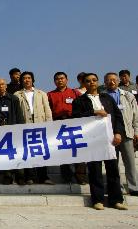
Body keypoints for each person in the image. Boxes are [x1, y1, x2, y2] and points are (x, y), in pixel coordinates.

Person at [72, 73, 127, 210]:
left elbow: (118, 117)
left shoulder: (107, 98)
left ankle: (116, 200)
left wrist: (118, 133)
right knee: (95, 170)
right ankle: (98, 200)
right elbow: (76, 118)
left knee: (113, 170)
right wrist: (94, 112)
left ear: (98, 82)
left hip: (110, 139)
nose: (92, 83)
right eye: (88, 81)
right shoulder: (79, 101)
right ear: (84, 84)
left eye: (94, 80)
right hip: (92, 140)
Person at [14, 71, 54, 185]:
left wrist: (49, 124)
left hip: (40, 124)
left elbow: (47, 110)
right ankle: (29, 177)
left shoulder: (41, 93)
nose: (27, 80)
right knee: (27, 151)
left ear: (32, 80)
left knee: (41, 150)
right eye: (24, 78)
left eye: (29, 78)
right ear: (21, 81)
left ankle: (43, 176)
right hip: (25, 125)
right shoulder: (17, 94)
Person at [47, 72, 87, 184]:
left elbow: (84, 106)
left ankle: (81, 177)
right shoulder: (50, 94)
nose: (60, 80)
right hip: (58, 123)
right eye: (57, 79)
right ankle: (67, 177)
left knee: (78, 150)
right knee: (63, 150)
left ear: (67, 80)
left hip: (74, 121)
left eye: (62, 78)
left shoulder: (75, 92)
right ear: (54, 81)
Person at [103, 72, 138, 196]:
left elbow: (135, 116)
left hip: (127, 133)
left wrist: (136, 131)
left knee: (130, 162)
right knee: (113, 164)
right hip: (110, 134)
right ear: (104, 82)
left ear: (118, 81)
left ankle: (133, 187)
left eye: (113, 80)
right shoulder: (102, 97)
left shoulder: (128, 95)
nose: (111, 82)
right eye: (108, 80)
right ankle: (117, 188)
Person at [0, 78, 25, 185]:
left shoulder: (14, 99)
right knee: (5, 154)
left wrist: (20, 128)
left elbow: (19, 115)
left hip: (14, 130)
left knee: (17, 153)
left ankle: (20, 176)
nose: (1, 86)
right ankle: (7, 176)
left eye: (3, 84)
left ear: (6, 86)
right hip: (0, 132)